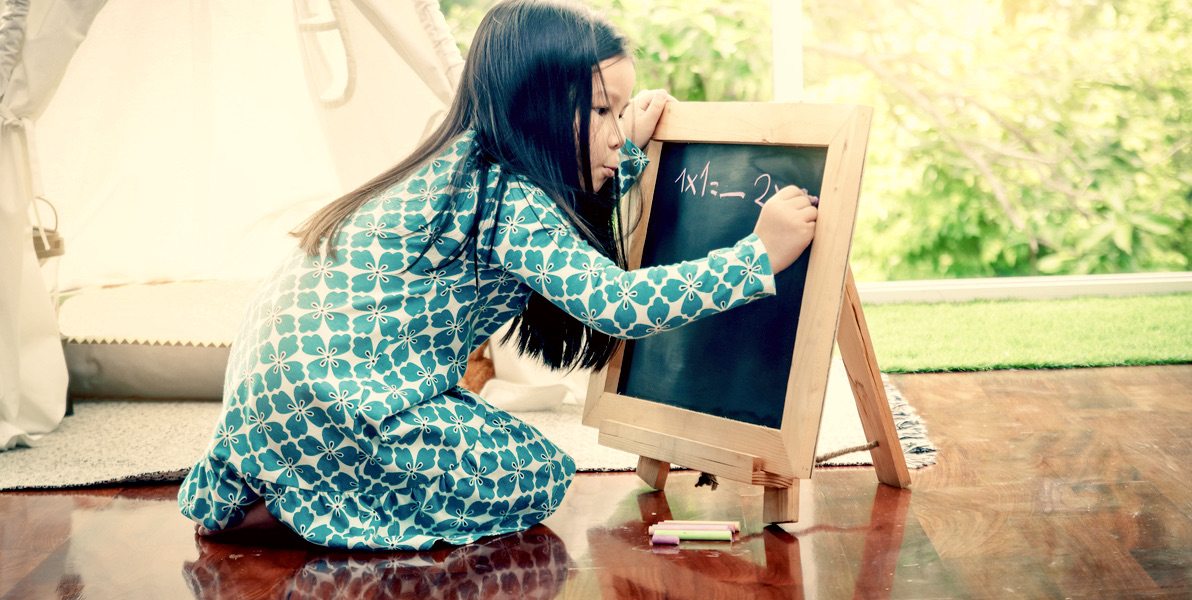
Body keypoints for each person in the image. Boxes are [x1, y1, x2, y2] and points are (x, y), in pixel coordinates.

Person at [178, 0, 818, 551]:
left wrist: (627, 146)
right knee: (535, 473)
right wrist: (757, 254)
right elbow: (618, 303)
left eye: (619, 112)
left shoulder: (462, 162)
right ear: (531, 106)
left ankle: (275, 484)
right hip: (338, 402)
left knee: (490, 447)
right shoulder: (508, 198)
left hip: (279, 395)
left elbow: (567, 203)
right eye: (601, 111)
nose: (617, 135)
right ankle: (300, 508)